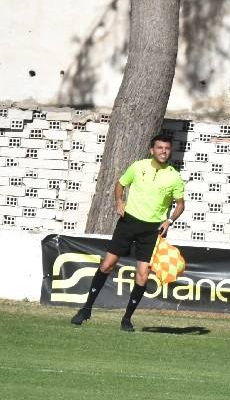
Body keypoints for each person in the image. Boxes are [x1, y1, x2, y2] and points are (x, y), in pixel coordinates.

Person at [70, 134, 185, 332]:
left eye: (166, 148)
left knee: (142, 276)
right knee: (107, 264)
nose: (163, 151)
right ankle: (86, 309)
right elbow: (120, 184)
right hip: (128, 223)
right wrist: (119, 201)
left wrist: (170, 220)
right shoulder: (138, 166)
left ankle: (127, 319)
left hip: (152, 230)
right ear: (152, 150)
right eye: (159, 147)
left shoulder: (174, 176)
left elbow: (180, 205)